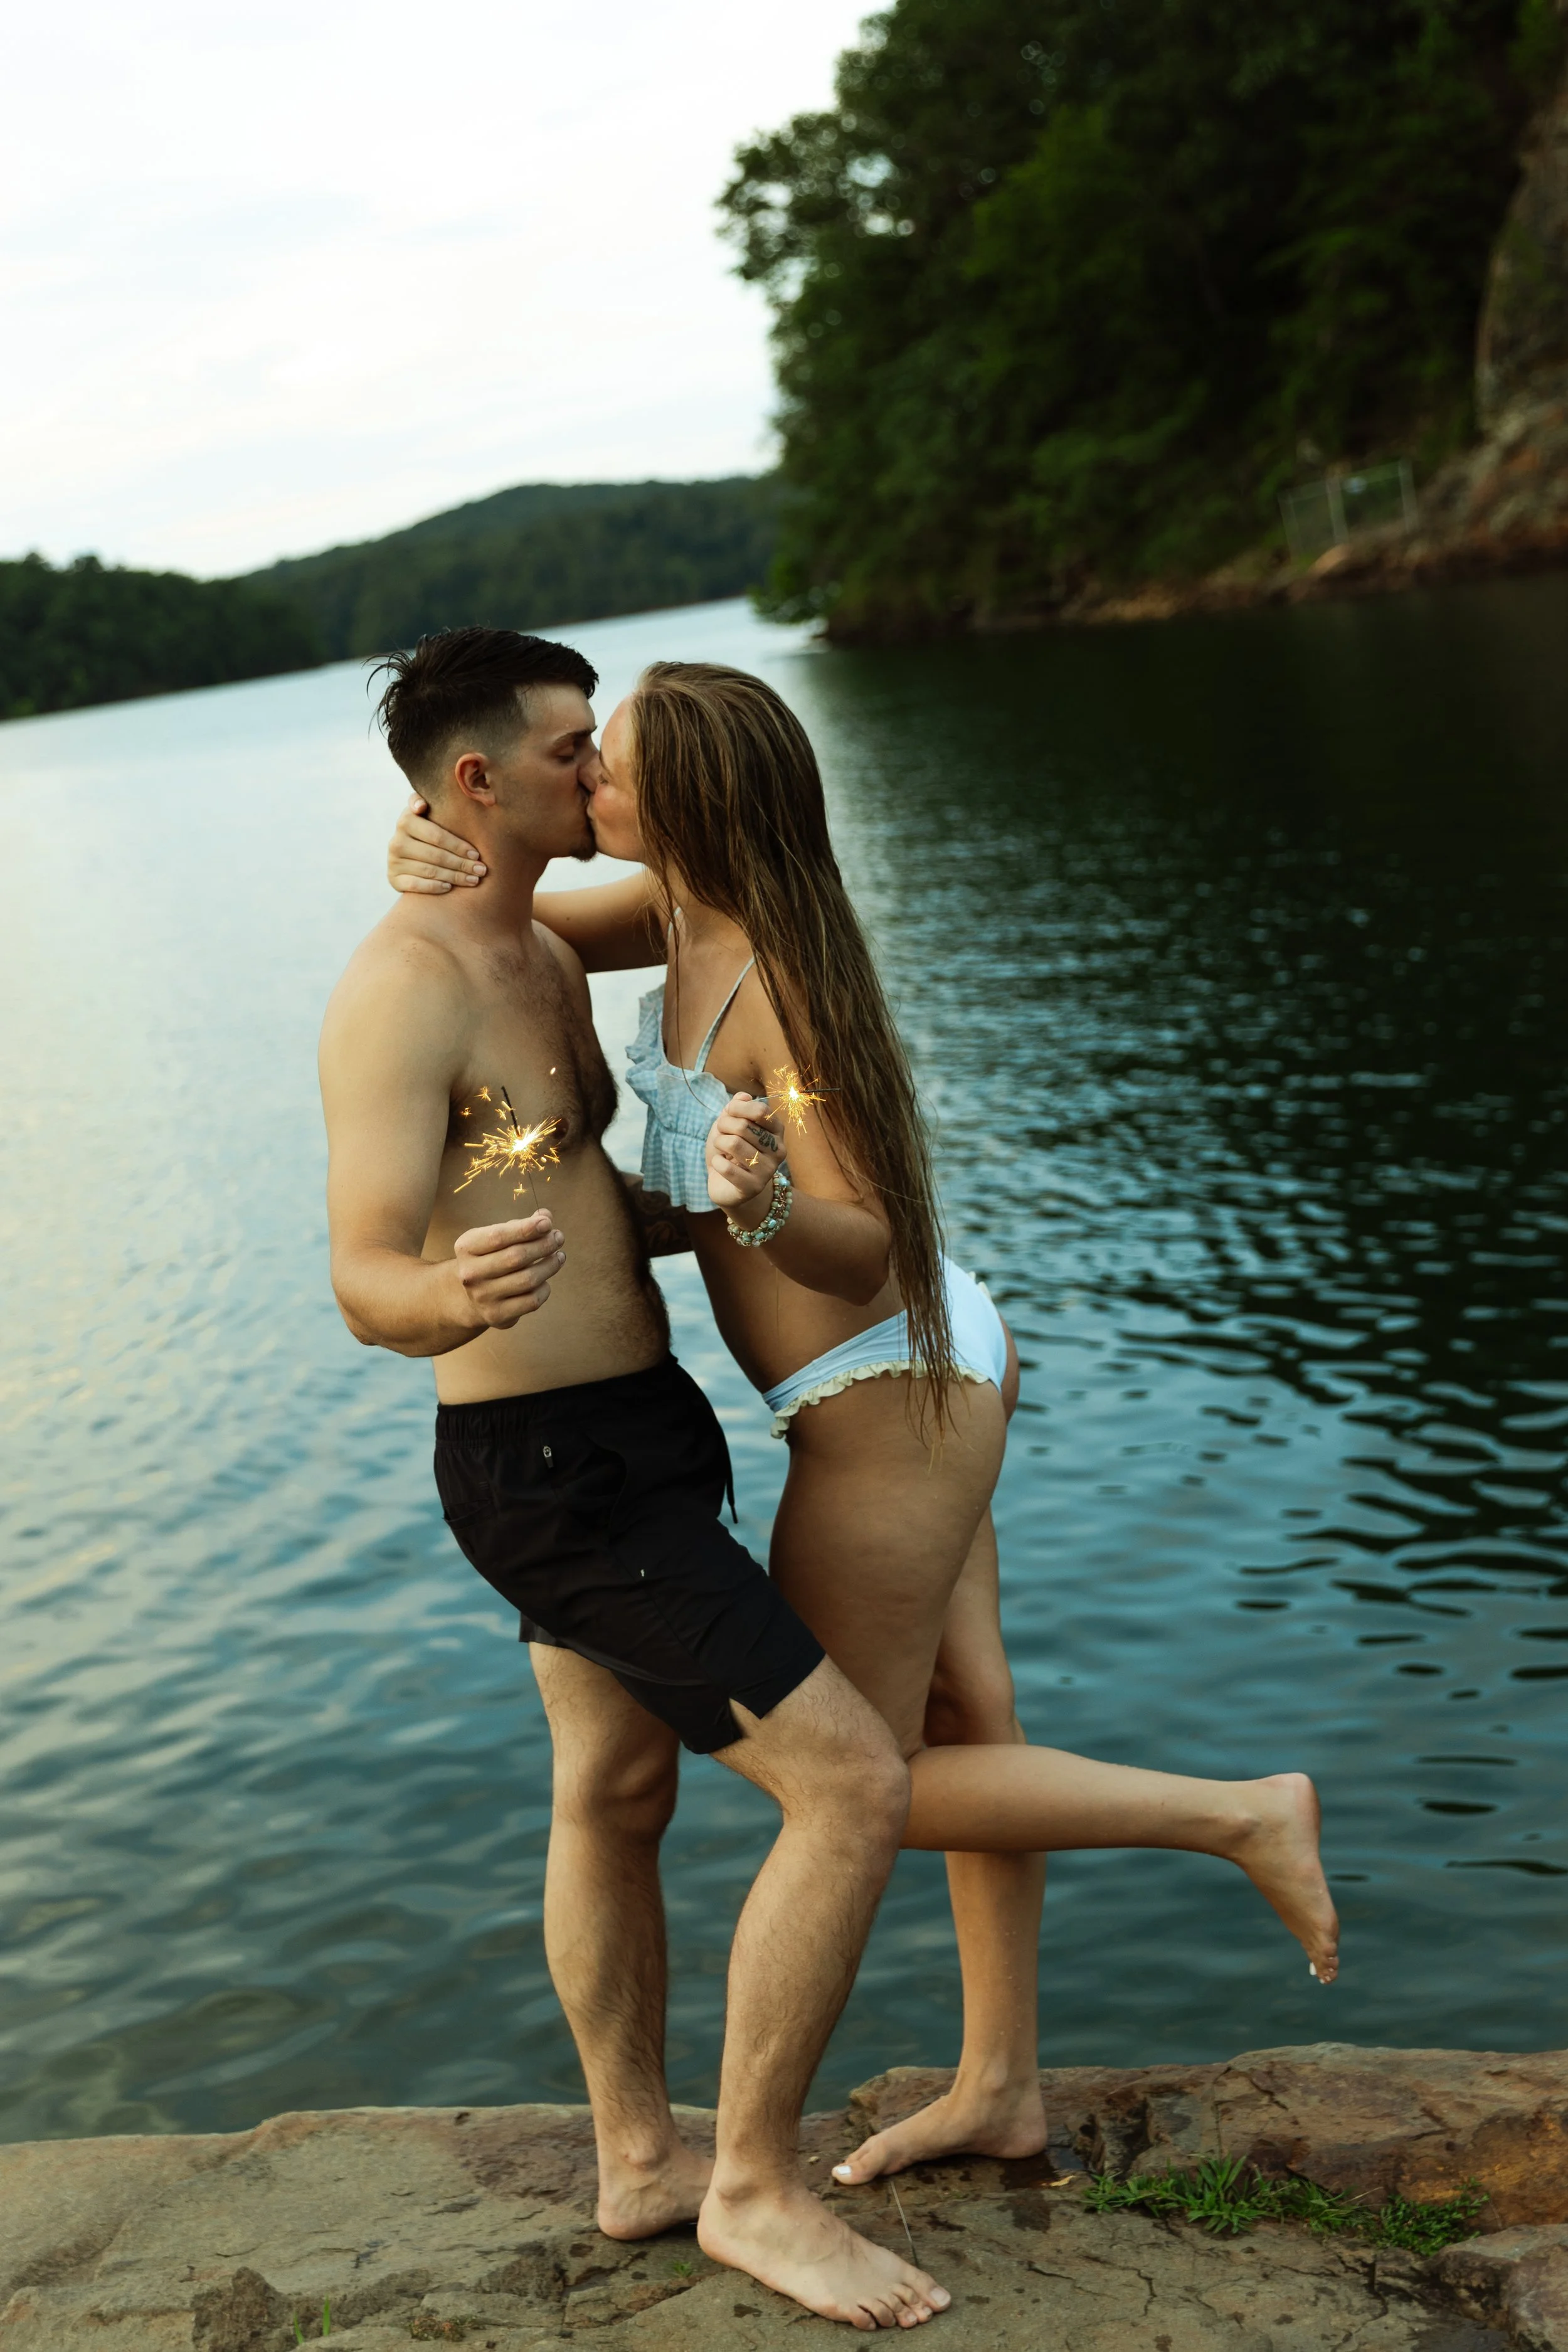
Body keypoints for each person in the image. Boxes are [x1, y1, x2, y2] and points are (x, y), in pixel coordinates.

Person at [388, 655, 1341, 2193]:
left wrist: (761, 1208)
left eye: (612, 767)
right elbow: (515, 926)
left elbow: (864, 1244)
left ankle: (1239, 1816)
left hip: (881, 1388)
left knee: (861, 1779)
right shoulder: (675, 912)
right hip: (929, 1361)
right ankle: (1001, 2085)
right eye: (583, 758)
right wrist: (427, 841)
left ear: (688, 802)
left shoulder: (781, 980)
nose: (589, 783)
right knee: (964, 1722)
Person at [319, 627, 952, 2331]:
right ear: (479, 778)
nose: (598, 767)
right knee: (853, 1785)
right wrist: (445, 1296)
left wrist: (706, 1211)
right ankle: (753, 2190)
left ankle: (637, 2160)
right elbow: (362, 1271)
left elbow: (682, 974)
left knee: (612, 1790)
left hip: (640, 1432)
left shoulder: (537, 942)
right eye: (570, 747)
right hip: (547, 1469)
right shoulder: (403, 988)